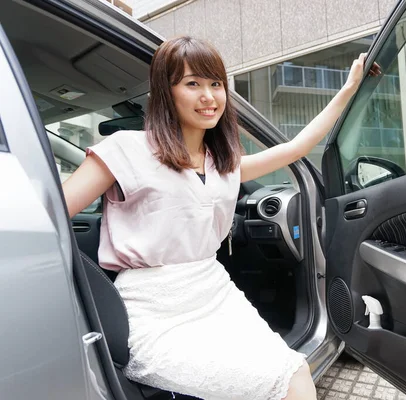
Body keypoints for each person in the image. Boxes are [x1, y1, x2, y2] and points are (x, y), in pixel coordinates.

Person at [62, 36, 379, 400]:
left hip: (216, 294)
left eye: (216, 84)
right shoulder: (125, 148)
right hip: (153, 308)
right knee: (287, 381)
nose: (208, 96)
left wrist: (350, 87)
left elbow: (297, 148)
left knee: (293, 373)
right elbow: (51, 215)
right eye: (192, 83)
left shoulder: (224, 164)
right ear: (167, 91)